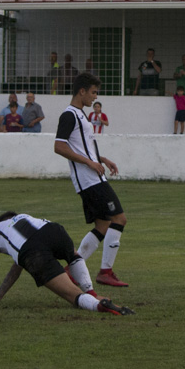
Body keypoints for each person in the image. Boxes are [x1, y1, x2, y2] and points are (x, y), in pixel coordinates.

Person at [0, 212, 134, 316]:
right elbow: (17, 266)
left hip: (31, 249)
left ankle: (97, 305)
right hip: (54, 230)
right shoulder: (23, 219)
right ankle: (92, 293)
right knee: (73, 255)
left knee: (72, 296)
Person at [54, 72, 131, 288]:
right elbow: (59, 146)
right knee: (119, 219)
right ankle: (105, 271)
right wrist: (89, 163)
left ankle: (71, 269)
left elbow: (83, 146)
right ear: (82, 91)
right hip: (90, 180)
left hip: (94, 176)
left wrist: (102, 159)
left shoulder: (81, 115)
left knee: (104, 224)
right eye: (93, 92)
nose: (95, 97)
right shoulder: (69, 115)